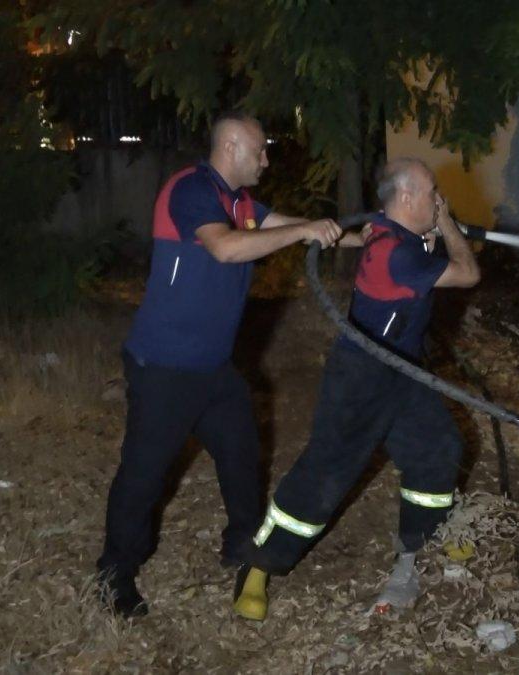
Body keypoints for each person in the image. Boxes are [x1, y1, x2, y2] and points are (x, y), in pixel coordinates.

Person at [97, 110, 358, 618]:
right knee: (144, 476)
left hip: (214, 370)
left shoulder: (239, 202)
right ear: (233, 146)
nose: (266, 159)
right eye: (260, 150)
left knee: (242, 456)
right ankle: (114, 574)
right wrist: (301, 230)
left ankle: (242, 544)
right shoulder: (191, 189)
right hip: (164, 367)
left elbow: (297, 228)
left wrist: (371, 238)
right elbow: (224, 248)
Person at [232, 157, 480, 622]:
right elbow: (467, 273)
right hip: (362, 374)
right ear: (406, 198)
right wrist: (446, 224)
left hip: (402, 370)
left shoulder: (395, 234)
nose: (438, 200)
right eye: (432, 194)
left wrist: (433, 228)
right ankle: (259, 565)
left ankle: (417, 551)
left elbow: (420, 254)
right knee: (325, 475)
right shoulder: (396, 253)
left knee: (439, 448)